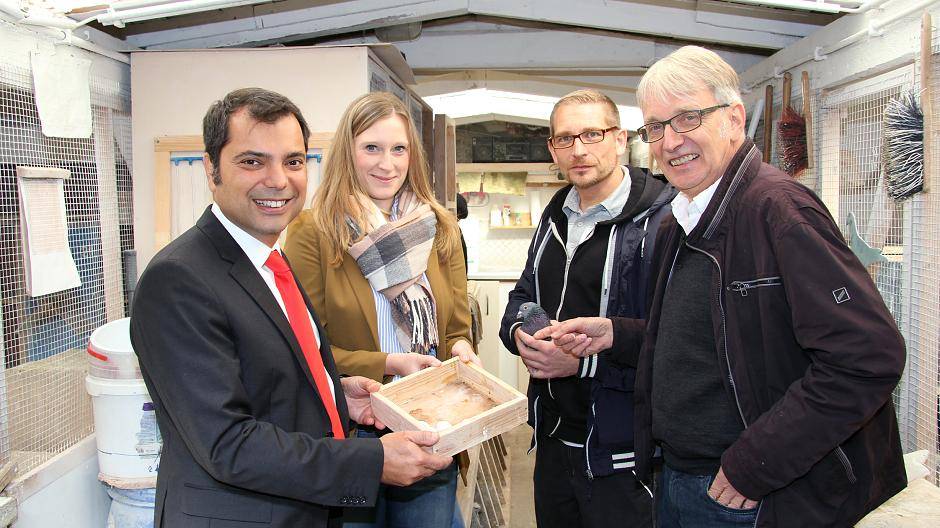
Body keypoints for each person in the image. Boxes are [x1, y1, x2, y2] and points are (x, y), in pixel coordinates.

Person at [544, 46, 907, 527]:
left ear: (734, 119)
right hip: (680, 477)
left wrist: (755, 465)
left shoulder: (778, 211)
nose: (671, 141)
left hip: (752, 495)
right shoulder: (681, 219)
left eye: (687, 118)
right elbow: (713, 339)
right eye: (656, 127)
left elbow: (868, 358)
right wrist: (618, 334)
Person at [130, 88, 453, 528]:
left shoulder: (269, 262)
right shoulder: (179, 278)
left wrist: (341, 396)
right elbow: (228, 443)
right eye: (252, 161)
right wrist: (371, 460)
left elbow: (275, 384)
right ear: (211, 168)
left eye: (293, 161)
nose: (278, 179)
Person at [284, 91, 477, 528]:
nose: (386, 164)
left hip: (430, 425)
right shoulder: (313, 232)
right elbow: (304, 350)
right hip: (354, 433)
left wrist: (462, 349)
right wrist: (388, 363)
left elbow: (456, 330)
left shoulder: (438, 226)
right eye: (371, 147)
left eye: (398, 149)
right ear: (347, 153)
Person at [497, 89, 676, 528]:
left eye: (592, 134)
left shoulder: (663, 220)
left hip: (623, 456)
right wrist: (524, 332)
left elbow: (677, 338)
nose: (578, 150)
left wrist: (580, 365)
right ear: (551, 149)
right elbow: (522, 296)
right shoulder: (556, 214)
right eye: (565, 139)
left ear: (620, 139)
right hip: (555, 440)